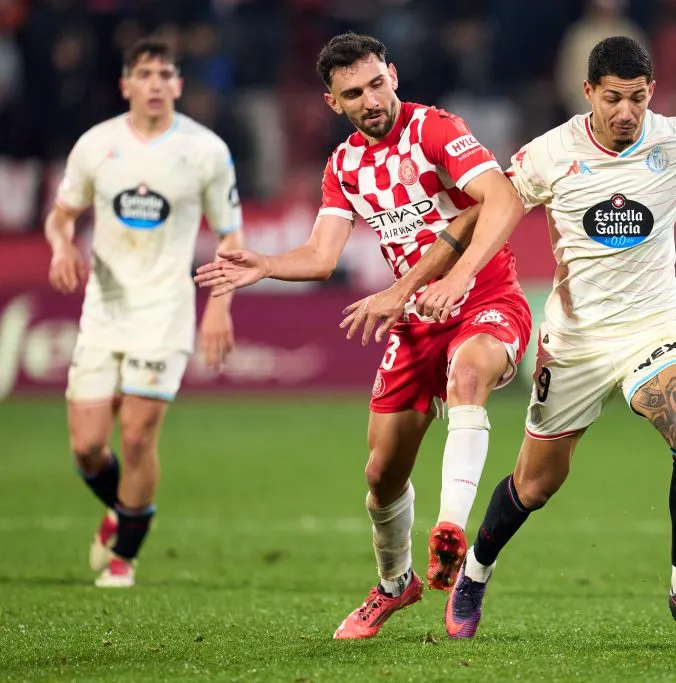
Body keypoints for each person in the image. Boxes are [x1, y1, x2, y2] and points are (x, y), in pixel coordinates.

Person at [417, 36, 676, 640]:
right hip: (576, 340)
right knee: (536, 483)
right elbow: (494, 208)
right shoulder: (548, 154)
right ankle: (475, 577)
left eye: (637, 99)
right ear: (588, 92)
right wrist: (448, 275)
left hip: (653, 325)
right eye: (613, 98)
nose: (625, 112)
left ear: (652, 93)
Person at [192, 32, 531, 640]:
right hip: (415, 320)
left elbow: (502, 199)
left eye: (377, 83)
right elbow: (322, 256)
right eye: (354, 92)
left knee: (468, 376)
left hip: (485, 297)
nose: (371, 99)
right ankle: (395, 585)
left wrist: (457, 276)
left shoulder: (435, 129)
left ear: (393, 74)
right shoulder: (344, 164)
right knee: (380, 476)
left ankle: (449, 533)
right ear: (333, 103)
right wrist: (267, 265)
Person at [45, 37, 243, 588]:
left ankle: (123, 556)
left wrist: (219, 307)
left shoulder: (206, 151)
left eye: (165, 74)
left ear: (179, 85)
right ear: (125, 84)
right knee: (87, 446)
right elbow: (62, 215)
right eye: (145, 74)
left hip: (166, 311)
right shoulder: (97, 145)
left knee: (135, 437)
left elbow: (231, 236)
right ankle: (131, 510)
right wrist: (62, 246)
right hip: (103, 312)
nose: (155, 84)